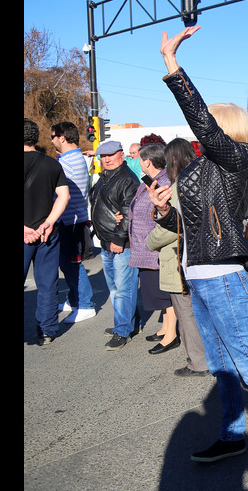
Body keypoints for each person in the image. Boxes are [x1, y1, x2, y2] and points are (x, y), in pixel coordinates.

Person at [150, 26, 248, 490]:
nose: (200, 134)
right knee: (220, 366)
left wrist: (171, 65)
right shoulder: (200, 166)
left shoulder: (238, 156)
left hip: (223, 276)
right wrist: (166, 209)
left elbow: (201, 121)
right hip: (197, 274)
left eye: (210, 125)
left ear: (224, 127)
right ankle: (233, 435)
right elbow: (193, 218)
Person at [145, 137, 210, 377]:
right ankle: (209, 355)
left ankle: (199, 362)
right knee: (203, 311)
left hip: (179, 257)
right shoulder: (201, 180)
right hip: (204, 256)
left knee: (186, 313)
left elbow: (170, 228)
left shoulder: (175, 187)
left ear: (172, 159)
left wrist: (148, 242)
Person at [128, 142, 179, 355]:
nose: (138, 162)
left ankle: (171, 335)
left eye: (139, 159)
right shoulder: (151, 180)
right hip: (145, 247)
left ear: (147, 161)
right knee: (158, 294)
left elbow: (164, 215)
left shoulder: (164, 182)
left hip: (154, 248)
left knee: (164, 294)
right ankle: (166, 328)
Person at [90, 140, 141, 351]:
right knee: (115, 288)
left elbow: (128, 213)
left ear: (122, 155)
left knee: (123, 289)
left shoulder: (128, 179)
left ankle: (122, 330)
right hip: (105, 242)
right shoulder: (103, 178)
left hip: (120, 244)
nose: (107, 159)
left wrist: (119, 240)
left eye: (111, 155)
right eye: (103, 156)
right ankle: (127, 322)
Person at [24, 119, 70, 345]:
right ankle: (47, 330)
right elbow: (64, 196)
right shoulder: (53, 164)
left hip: (25, 233)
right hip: (47, 233)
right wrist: (49, 223)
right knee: (47, 283)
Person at [50, 121, 96, 323]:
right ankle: (74, 298)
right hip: (72, 220)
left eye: (53, 137)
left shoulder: (65, 163)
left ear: (61, 137)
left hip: (71, 221)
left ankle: (85, 305)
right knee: (67, 264)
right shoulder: (74, 158)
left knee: (73, 265)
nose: (51, 141)